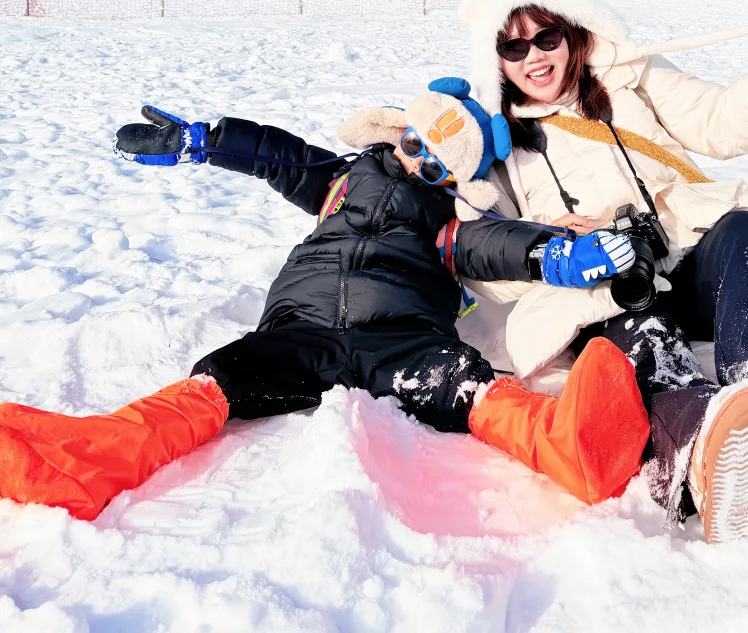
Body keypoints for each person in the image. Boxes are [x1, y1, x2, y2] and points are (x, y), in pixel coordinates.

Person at [0, 80, 649, 521]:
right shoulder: (340, 180)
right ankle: (87, 459)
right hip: (301, 326)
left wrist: (562, 256)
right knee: (224, 377)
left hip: (402, 337)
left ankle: (567, 445)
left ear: (457, 177)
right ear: (401, 134)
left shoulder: (448, 222)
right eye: (416, 146)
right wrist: (206, 139)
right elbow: (279, 157)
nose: (418, 165)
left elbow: (496, 245)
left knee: (462, 381)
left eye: (437, 165)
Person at [456, 0, 748, 544]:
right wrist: (546, 240)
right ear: (495, 61)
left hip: (683, 258)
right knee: (634, 323)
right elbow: (483, 260)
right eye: (513, 48)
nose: (534, 57)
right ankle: (707, 446)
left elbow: (720, 123)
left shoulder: (629, 78)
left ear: (573, 32)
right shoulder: (494, 143)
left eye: (546, 37)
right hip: (607, 291)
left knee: (745, 228)